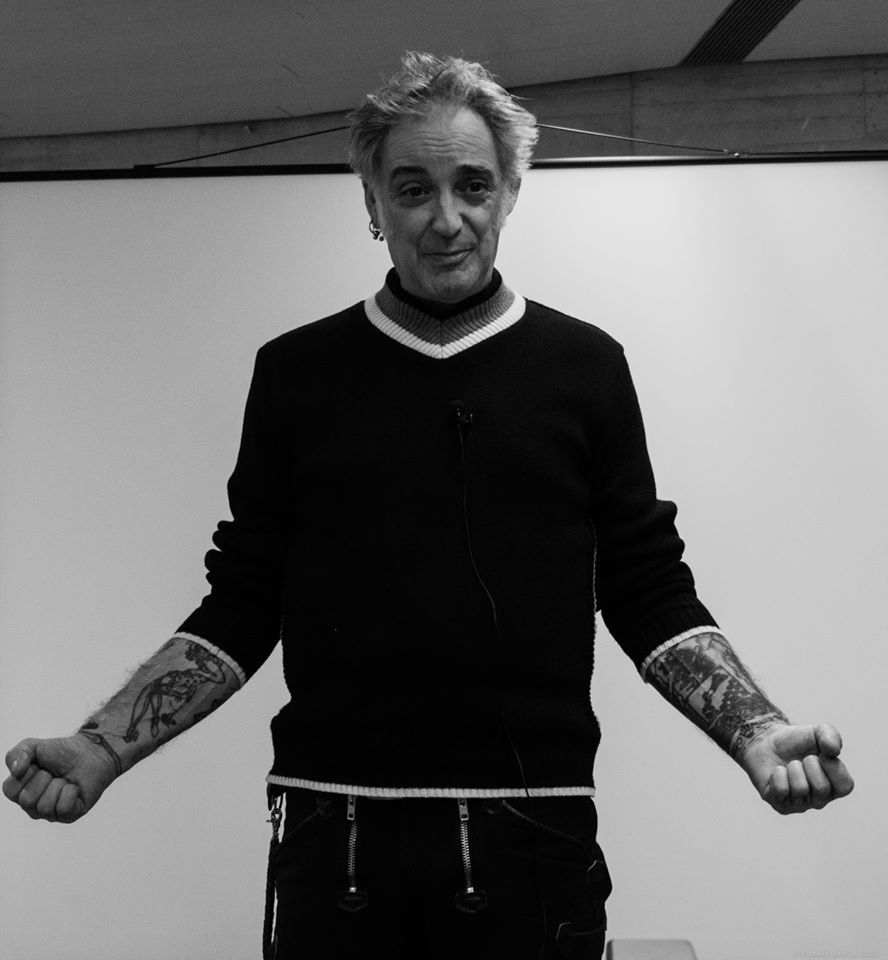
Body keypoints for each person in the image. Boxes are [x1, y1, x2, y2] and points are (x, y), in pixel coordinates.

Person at [3, 52, 854, 960]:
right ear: (373, 204)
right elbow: (244, 601)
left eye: (472, 186)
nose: (446, 220)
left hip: (534, 836)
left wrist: (758, 733)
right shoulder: (296, 375)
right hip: (336, 841)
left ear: (510, 194)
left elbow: (646, 590)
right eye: (413, 190)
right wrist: (101, 748)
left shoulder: (586, 369)